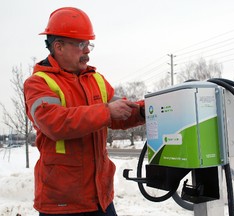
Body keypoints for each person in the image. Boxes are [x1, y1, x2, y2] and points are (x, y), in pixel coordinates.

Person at [24, 7, 145, 216]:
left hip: (101, 198)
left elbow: (119, 112)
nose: (87, 50)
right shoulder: (38, 83)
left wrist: (146, 111)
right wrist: (107, 111)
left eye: (89, 44)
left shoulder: (95, 79)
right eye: (81, 44)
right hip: (63, 203)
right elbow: (55, 123)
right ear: (59, 47)